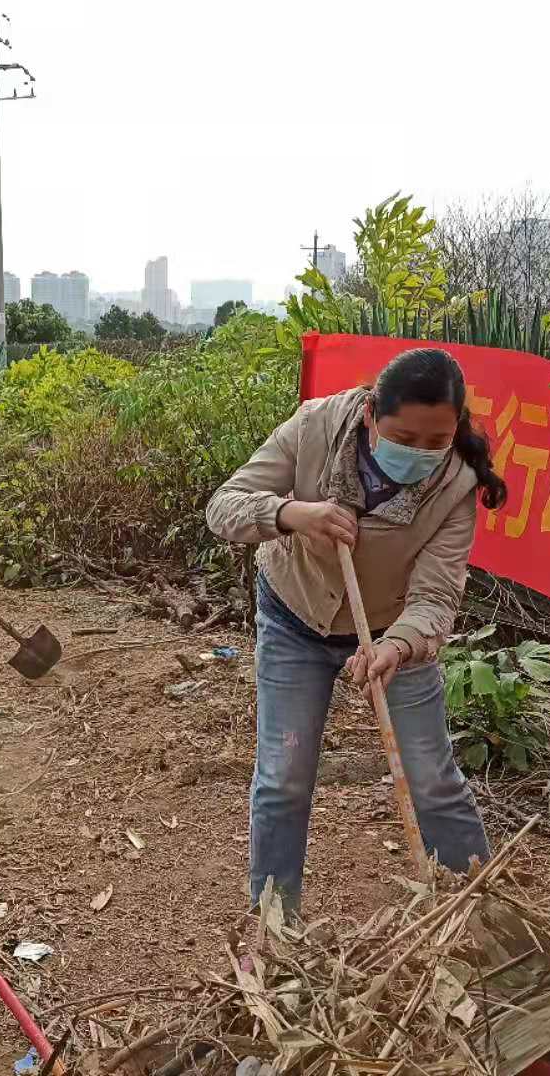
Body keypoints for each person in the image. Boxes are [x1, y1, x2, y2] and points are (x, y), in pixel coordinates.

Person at [205, 346, 509, 913]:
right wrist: (292, 515)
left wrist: (399, 644)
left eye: (435, 442)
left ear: (455, 430)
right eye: (404, 437)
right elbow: (224, 506)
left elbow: (436, 595)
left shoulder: (459, 485)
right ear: (371, 412)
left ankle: (477, 918)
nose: (420, 453)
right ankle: (274, 928)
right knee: (283, 779)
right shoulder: (316, 425)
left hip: (392, 636)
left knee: (432, 781)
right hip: (293, 619)